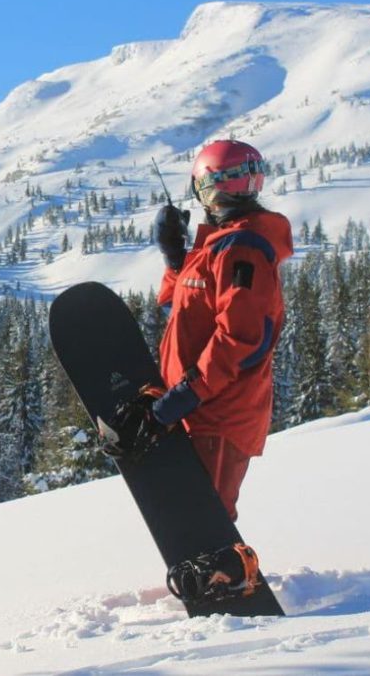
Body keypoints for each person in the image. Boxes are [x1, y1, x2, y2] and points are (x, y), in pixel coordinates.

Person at [142, 139, 293, 522]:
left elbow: (241, 338)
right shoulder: (220, 247)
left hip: (219, 411)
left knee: (205, 519)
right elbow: (178, 309)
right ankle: (213, 578)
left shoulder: (242, 249)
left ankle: (226, 580)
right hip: (197, 407)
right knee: (189, 518)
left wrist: (190, 390)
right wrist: (176, 258)